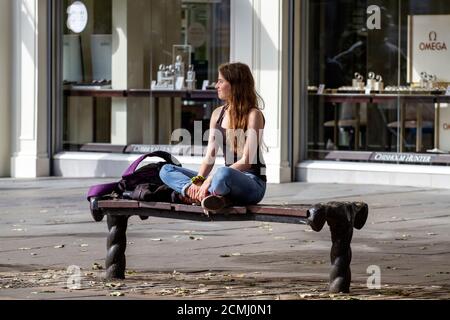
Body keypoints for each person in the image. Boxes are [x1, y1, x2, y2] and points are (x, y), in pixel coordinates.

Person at [159, 62, 267, 212]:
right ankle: (206, 196)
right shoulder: (218, 114)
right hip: (222, 182)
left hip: (252, 183)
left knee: (223, 172)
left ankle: (206, 195)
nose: (216, 85)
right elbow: (210, 156)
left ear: (235, 85)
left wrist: (210, 179)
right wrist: (199, 180)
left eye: (221, 81)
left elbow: (247, 161)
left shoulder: (253, 115)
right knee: (166, 169)